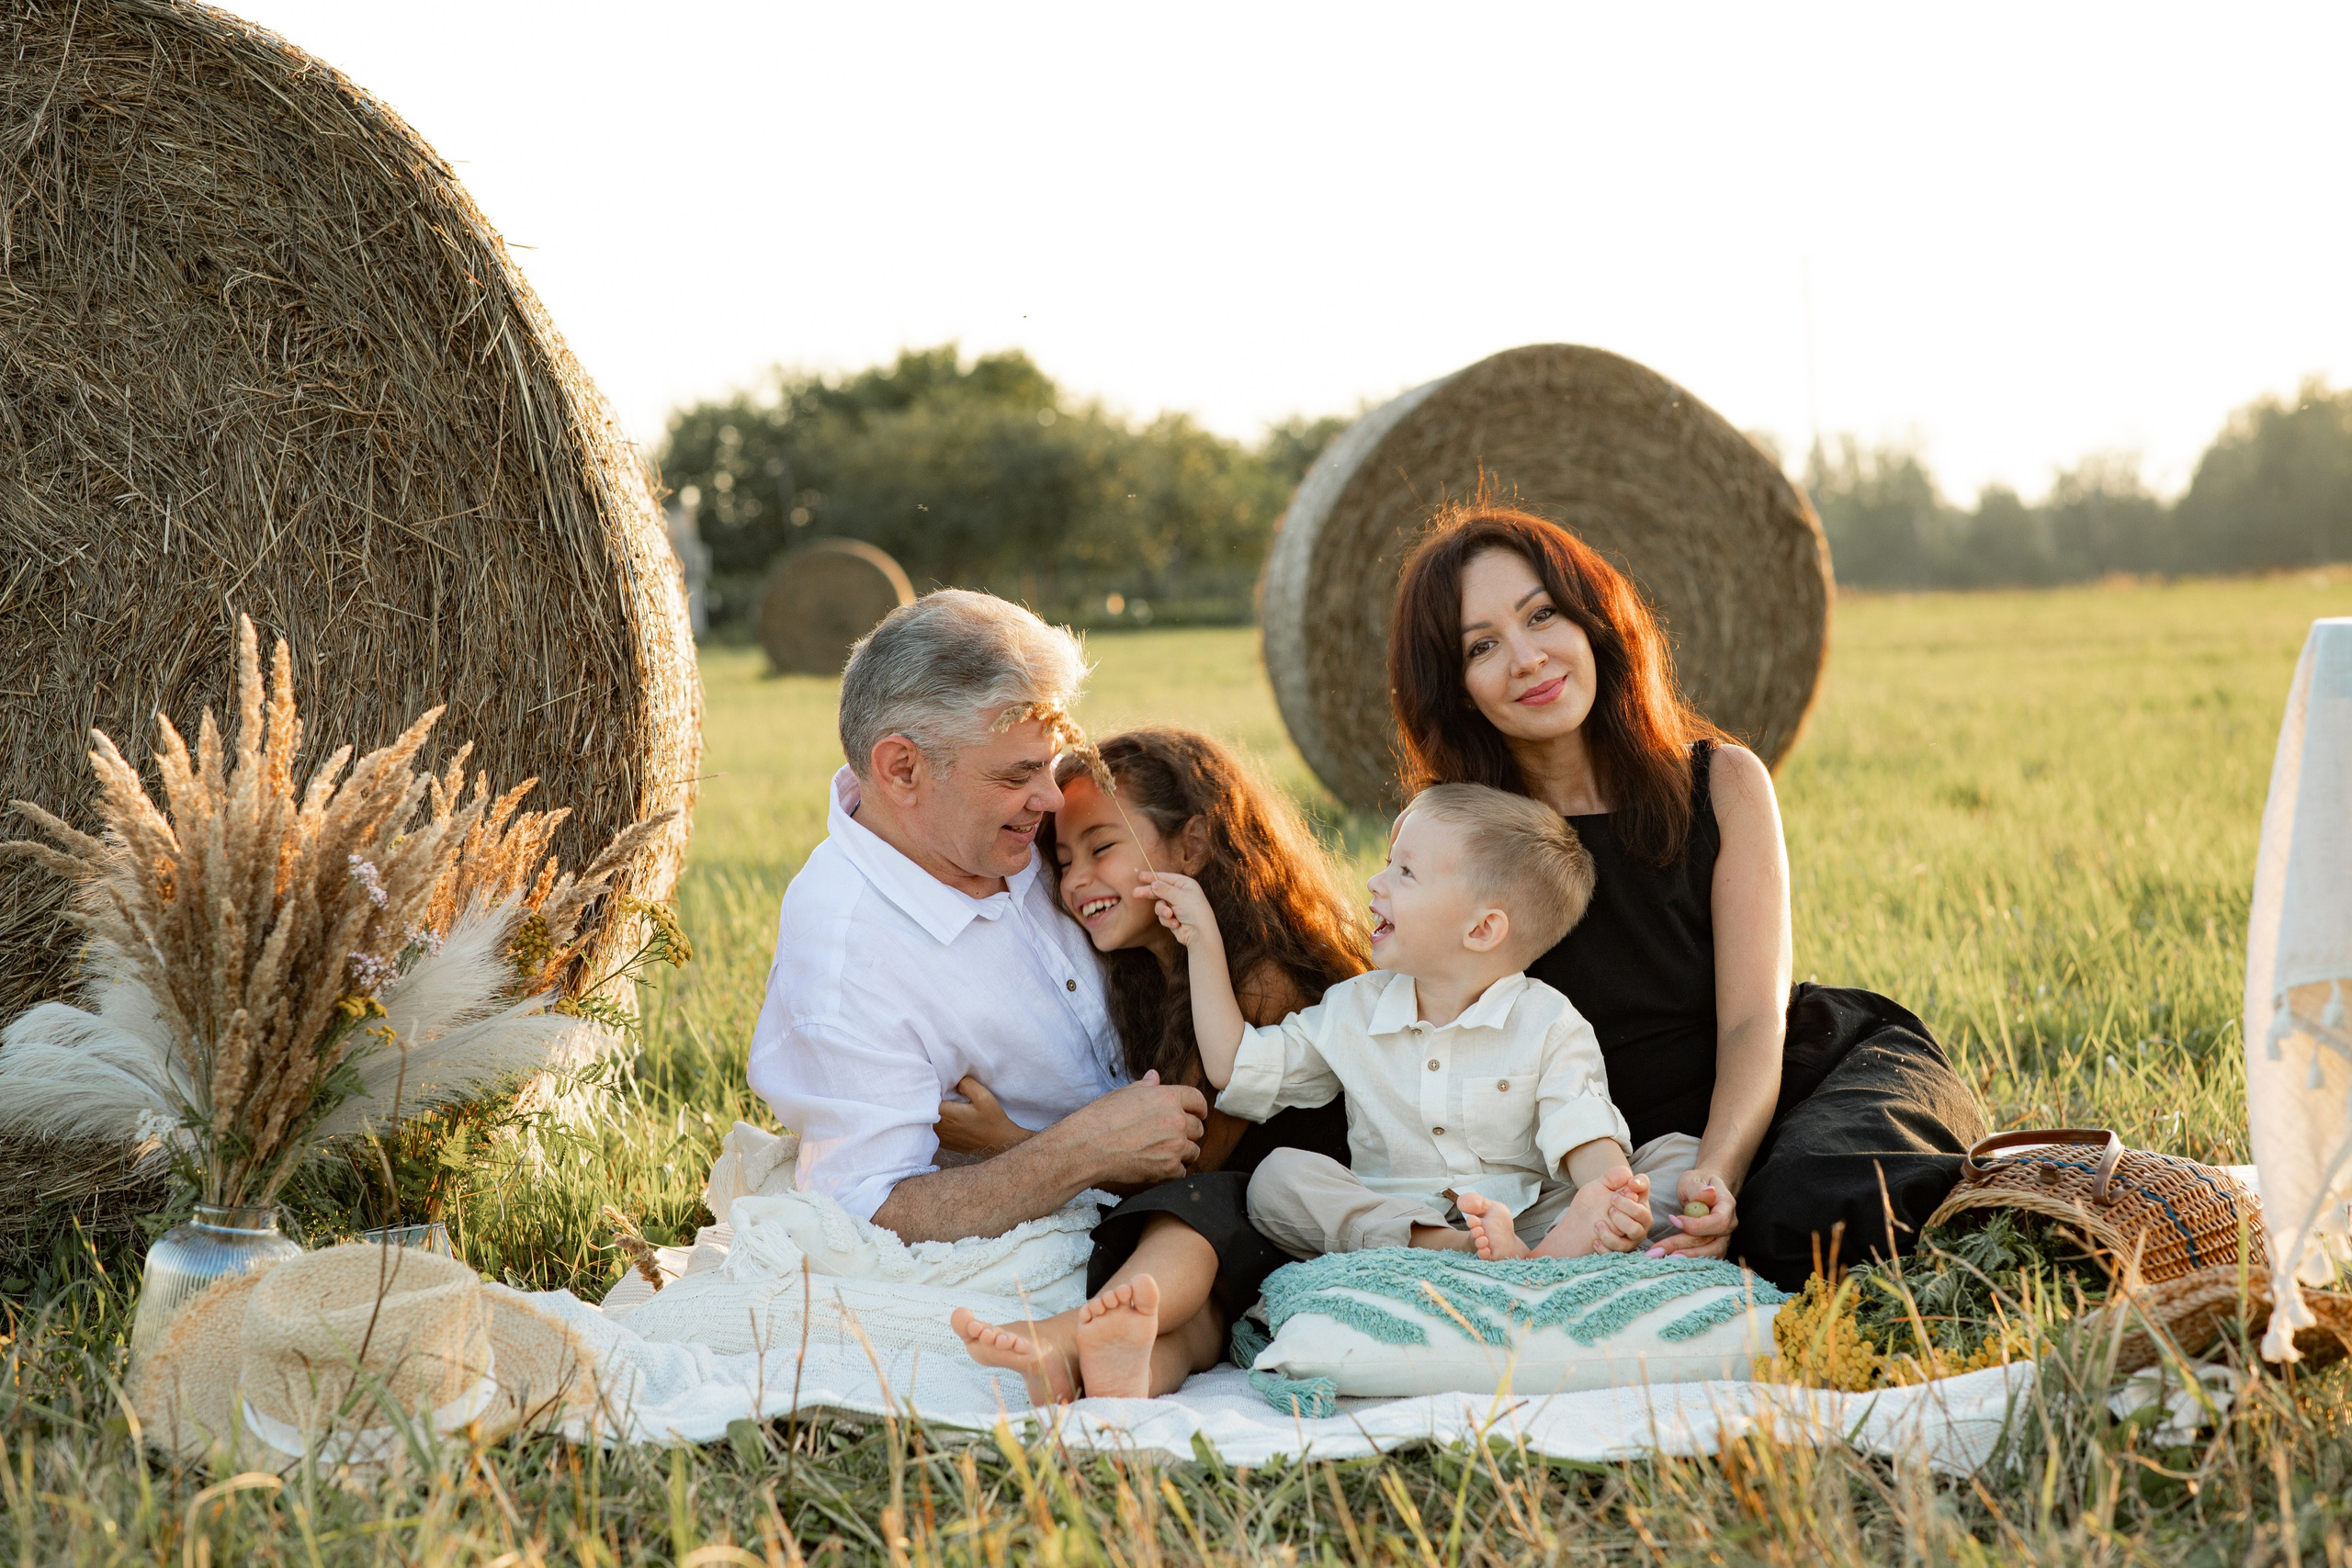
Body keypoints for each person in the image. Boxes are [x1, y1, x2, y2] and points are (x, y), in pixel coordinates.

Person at [1385, 504, 1985, 1290]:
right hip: (1602, 1151)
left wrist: (1718, 1173)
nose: (1527, 658)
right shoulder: (1449, 834)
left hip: (1774, 1090)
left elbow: (1749, 1021)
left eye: (1542, 615)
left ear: (1593, 620)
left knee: (1814, 1218)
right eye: (1483, 645)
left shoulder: (1725, 783)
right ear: (1457, 688)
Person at [956, 781, 1658, 1398]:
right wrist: (1203, 942)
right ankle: (1461, 1253)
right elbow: (1240, 1070)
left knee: (1675, 1159)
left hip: (1529, 1213)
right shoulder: (1357, 1007)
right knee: (1279, 1178)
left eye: (1405, 872)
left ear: (1483, 928)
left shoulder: (1548, 1020)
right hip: (1395, 1222)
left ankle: (1546, 1256)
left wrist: (1607, 1191)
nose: (1377, 882)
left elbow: (1582, 1123)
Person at [745, 591, 1209, 1244]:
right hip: (1111, 1220)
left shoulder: (1034, 827)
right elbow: (864, 1212)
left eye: (1047, 762)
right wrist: (1081, 1152)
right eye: (1018, 773)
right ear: (902, 768)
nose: (1051, 797)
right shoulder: (849, 948)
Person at [944, 728, 1368, 1402]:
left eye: (1103, 847)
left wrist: (1014, 1147)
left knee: (1191, 1215)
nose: (1078, 879)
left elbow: (1186, 1163)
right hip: (1242, 1256)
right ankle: (1113, 1373)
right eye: (1064, 859)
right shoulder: (1148, 983)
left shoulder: (1259, 981)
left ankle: (1062, 1333)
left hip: (1320, 1217)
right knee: (1189, 1317)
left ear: (1192, 845)